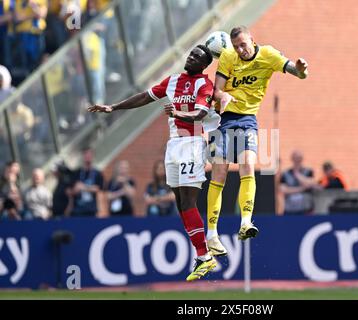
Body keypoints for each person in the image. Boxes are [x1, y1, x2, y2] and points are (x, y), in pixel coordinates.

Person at [88, 44, 218, 281]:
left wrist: (178, 114)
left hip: (192, 144)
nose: (190, 57)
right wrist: (113, 107)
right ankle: (202, 256)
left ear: (204, 65)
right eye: (190, 53)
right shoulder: (173, 80)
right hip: (173, 146)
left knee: (189, 200)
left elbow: (199, 114)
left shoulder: (204, 84)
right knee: (181, 204)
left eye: (197, 57)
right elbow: (144, 97)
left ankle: (205, 255)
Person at [206, 26, 308, 255]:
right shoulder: (228, 57)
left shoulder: (268, 55)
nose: (240, 50)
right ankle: (211, 234)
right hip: (221, 120)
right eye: (236, 46)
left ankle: (245, 222)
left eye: (243, 44)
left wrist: (301, 71)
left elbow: (296, 71)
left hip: (247, 119)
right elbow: (216, 91)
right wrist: (223, 97)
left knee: (248, 166)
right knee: (219, 174)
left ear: (252, 40)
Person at [70, 147, 104, 217]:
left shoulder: (97, 173)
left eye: (90, 155)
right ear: (83, 156)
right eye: (86, 154)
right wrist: (90, 188)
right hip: (78, 209)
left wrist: (83, 187)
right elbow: (73, 190)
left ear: (93, 156)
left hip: (92, 209)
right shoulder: (77, 173)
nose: (88, 157)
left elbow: (98, 189)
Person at [279, 150, 315, 215]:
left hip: (305, 209)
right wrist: (301, 188)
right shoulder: (285, 173)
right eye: (295, 158)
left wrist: (297, 175)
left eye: (299, 158)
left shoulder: (308, 171)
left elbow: (310, 184)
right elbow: (283, 190)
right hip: (290, 209)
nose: (297, 160)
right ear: (292, 159)